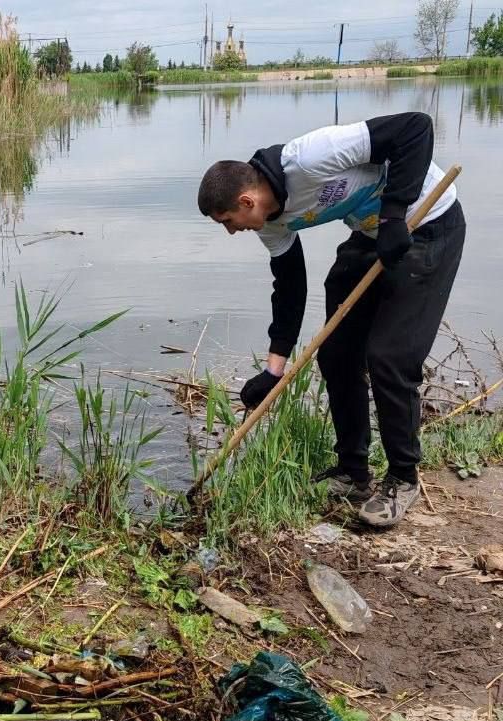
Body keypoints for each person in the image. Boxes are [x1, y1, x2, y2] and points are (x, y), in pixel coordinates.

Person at [197, 112, 465, 528]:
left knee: (390, 357)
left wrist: (395, 215)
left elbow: (416, 128)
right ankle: (353, 472)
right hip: (373, 233)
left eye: (228, 222)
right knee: (337, 352)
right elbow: (289, 287)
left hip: (426, 223)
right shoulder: (270, 223)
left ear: (245, 202)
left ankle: (402, 478)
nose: (232, 232)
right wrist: (274, 368)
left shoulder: (309, 158)